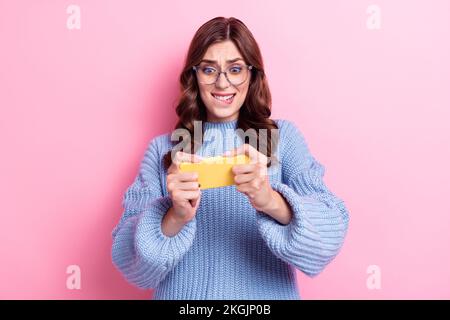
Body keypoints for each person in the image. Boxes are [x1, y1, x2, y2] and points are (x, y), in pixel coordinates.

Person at [111, 16, 349, 300]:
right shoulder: (164, 150)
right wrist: (175, 215)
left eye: (235, 69)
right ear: (194, 76)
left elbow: (330, 235)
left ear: (252, 74)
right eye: (209, 69)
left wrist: (270, 200)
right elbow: (130, 265)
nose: (222, 83)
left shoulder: (281, 139)